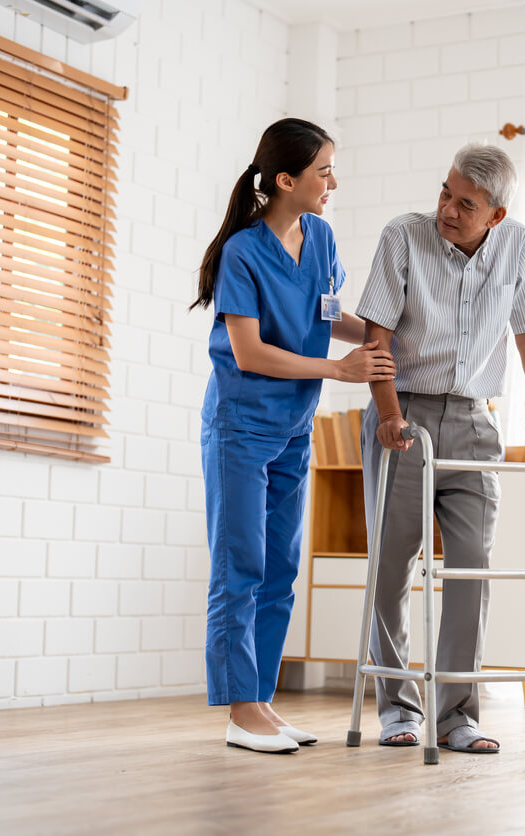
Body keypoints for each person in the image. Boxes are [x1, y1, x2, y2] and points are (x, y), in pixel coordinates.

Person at [357, 143, 525, 754]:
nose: (447, 210)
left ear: (495, 215)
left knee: (473, 566)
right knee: (392, 566)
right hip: (402, 413)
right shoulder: (404, 236)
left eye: (465, 204)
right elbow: (376, 333)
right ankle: (398, 707)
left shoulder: (519, 246)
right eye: (445, 193)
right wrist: (389, 414)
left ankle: (456, 716)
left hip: (476, 422)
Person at [193, 118, 394, 754]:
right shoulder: (243, 253)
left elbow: (323, 311)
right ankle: (239, 710)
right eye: (323, 170)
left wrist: (381, 335)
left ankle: (263, 704)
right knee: (240, 566)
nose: (332, 181)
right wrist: (338, 369)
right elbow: (249, 353)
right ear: (286, 179)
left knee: (280, 567)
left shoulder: (322, 236)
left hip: (292, 428)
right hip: (241, 427)